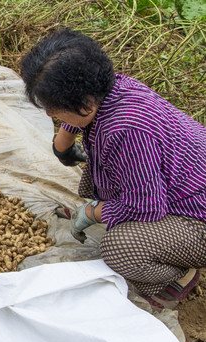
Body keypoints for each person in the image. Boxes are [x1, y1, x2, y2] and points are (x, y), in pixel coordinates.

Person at [20, 28, 206, 310]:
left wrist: (91, 212)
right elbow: (79, 115)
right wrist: (63, 141)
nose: (48, 114)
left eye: (53, 108)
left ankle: (180, 275)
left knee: (119, 249)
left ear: (84, 102)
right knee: (96, 174)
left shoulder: (126, 132)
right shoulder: (113, 86)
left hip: (196, 217)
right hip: (175, 183)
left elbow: (146, 208)